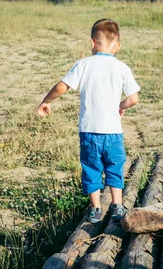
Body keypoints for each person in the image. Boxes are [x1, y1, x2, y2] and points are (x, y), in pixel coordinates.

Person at [37, 18, 140, 223]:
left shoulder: (83, 64)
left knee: (92, 168)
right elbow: (134, 98)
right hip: (113, 132)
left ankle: (95, 209)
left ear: (92, 43)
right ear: (118, 46)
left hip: (89, 131)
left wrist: (46, 100)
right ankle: (117, 206)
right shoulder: (121, 68)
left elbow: (62, 86)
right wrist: (121, 106)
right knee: (115, 166)